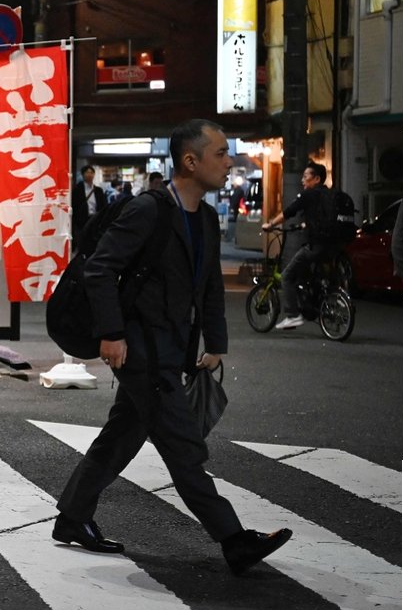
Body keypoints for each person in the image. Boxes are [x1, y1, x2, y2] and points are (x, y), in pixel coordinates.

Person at [52, 119, 291, 575]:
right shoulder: (150, 210)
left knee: (123, 434)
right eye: (220, 153)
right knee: (183, 445)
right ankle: (234, 539)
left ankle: (72, 517)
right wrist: (112, 333)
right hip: (141, 349)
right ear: (190, 161)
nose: (228, 161)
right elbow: (99, 269)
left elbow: (210, 287)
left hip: (173, 346)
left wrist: (215, 342)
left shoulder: (205, 217)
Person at [262, 162, 335, 331]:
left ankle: (293, 315)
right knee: (307, 275)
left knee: (287, 276)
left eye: (306, 176)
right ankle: (314, 305)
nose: (302, 180)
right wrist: (304, 225)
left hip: (315, 245)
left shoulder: (309, 194)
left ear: (316, 179)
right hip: (333, 246)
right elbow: (323, 218)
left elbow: (289, 211)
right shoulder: (330, 194)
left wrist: (271, 224)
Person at [71, 165, 106, 244]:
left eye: (91, 173)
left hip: (95, 220)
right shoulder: (77, 190)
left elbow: (103, 206)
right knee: (82, 241)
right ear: (83, 175)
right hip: (82, 221)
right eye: (87, 172)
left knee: (94, 241)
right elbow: (74, 205)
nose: (89, 175)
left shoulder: (99, 191)